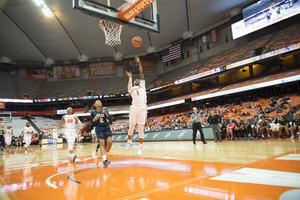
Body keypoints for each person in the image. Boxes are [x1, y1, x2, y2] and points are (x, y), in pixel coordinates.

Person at [125, 56, 147, 156]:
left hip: (142, 107)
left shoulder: (142, 86)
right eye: (135, 80)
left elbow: (141, 73)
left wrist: (139, 62)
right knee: (131, 126)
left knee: (141, 127)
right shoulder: (132, 89)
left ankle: (140, 147)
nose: (137, 80)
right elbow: (129, 86)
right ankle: (129, 141)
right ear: (134, 82)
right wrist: (130, 77)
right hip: (134, 107)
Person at [90, 100, 112, 168]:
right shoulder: (93, 112)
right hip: (99, 128)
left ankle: (106, 154)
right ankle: (104, 160)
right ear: (95, 105)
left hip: (106, 127)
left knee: (109, 142)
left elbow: (110, 120)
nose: (99, 103)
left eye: (100, 102)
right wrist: (94, 119)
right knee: (102, 143)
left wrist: (107, 115)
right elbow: (91, 123)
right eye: (97, 102)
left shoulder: (105, 110)